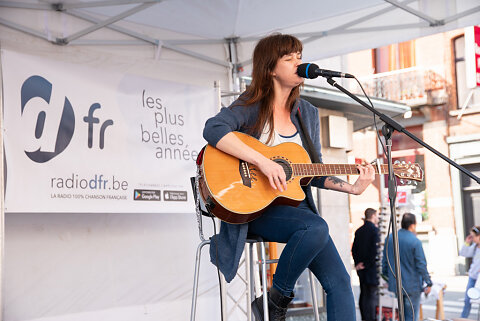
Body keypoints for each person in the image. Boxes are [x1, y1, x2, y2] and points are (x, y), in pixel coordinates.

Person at [203, 33, 376, 321]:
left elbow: (314, 170)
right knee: (315, 227)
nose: (299, 62)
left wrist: (353, 188)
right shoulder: (251, 105)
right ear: (271, 68)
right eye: (289, 58)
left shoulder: (306, 113)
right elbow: (213, 129)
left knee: (341, 284)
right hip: (256, 207)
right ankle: (277, 299)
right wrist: (263, 162)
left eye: (299, 56)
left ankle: (272, 302)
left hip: (298, 209)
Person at [382, 213, 432, 321]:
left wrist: (388, 278)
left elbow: (385, 263)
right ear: (413, 225)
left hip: (396, 285)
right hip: (412, 286)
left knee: (402, 315)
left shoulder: (390, 238)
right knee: (411, 316)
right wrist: (428, 282)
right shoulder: (415, 241)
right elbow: (421, 265)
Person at [352, 208, 380, 321]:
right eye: (377, 216)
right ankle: (371, 318)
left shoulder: (359, 231)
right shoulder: (375, 231)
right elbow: (375, 251)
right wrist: (366, 264)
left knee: (363, 293)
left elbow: (354, 250)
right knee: (371, 295)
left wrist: (358, 264)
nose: (378, 218)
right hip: (371, 268)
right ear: (373, 216)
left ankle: (364, 318)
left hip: (361, 268)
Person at [459, 225, 480, 318]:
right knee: (467, 300)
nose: (473, 239)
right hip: (473, 277)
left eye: (474, 236)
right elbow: (463, 253)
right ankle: (463, 319)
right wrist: (467, 242)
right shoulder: (475, 247)